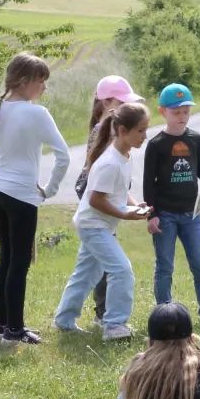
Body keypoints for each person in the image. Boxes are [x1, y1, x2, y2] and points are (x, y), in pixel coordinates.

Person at [0, 53, 71, 345]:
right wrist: (50, 190)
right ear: (23, 81)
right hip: (23, 194)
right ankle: (14, 330)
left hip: (0, 191)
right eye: (41, 82)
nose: (45, 88)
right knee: (19, 262)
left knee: (6, 259)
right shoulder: (37, 114)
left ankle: (1, 323)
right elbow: (63, 156)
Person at [55, 103, 151, 341]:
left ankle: (64, 320)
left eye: (145, 130)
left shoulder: (124, 156)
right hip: (92, 225)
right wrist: (125, 215)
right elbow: (95, 199)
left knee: (85, 274)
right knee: (122, 270)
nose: (144, 136)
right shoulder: (109, 162)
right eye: (140, 130)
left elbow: (117, 192)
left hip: (100, 225)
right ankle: (114, 325)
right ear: (121, 130)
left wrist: (134, 204)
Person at [144, 83, 200, 325]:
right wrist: (152, 214)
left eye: (186, 111)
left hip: (192, 214)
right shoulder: (157, 144)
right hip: (165, 215)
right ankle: (164, 315)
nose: (182, 117)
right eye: (176, 112)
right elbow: (149, 183)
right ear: (163, 112)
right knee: (165, 267)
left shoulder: (195, 139)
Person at [75, 76, 143, 325]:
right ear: (105, 103)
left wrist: (132, 203)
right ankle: (106, 317)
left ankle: (69, 317)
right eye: (121, 103)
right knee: (112, 266)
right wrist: (123, 212)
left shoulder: (114, 133)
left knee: (88, 268)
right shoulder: (105, 133)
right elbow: (99, 188)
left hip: (107, 208)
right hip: (98, 212)